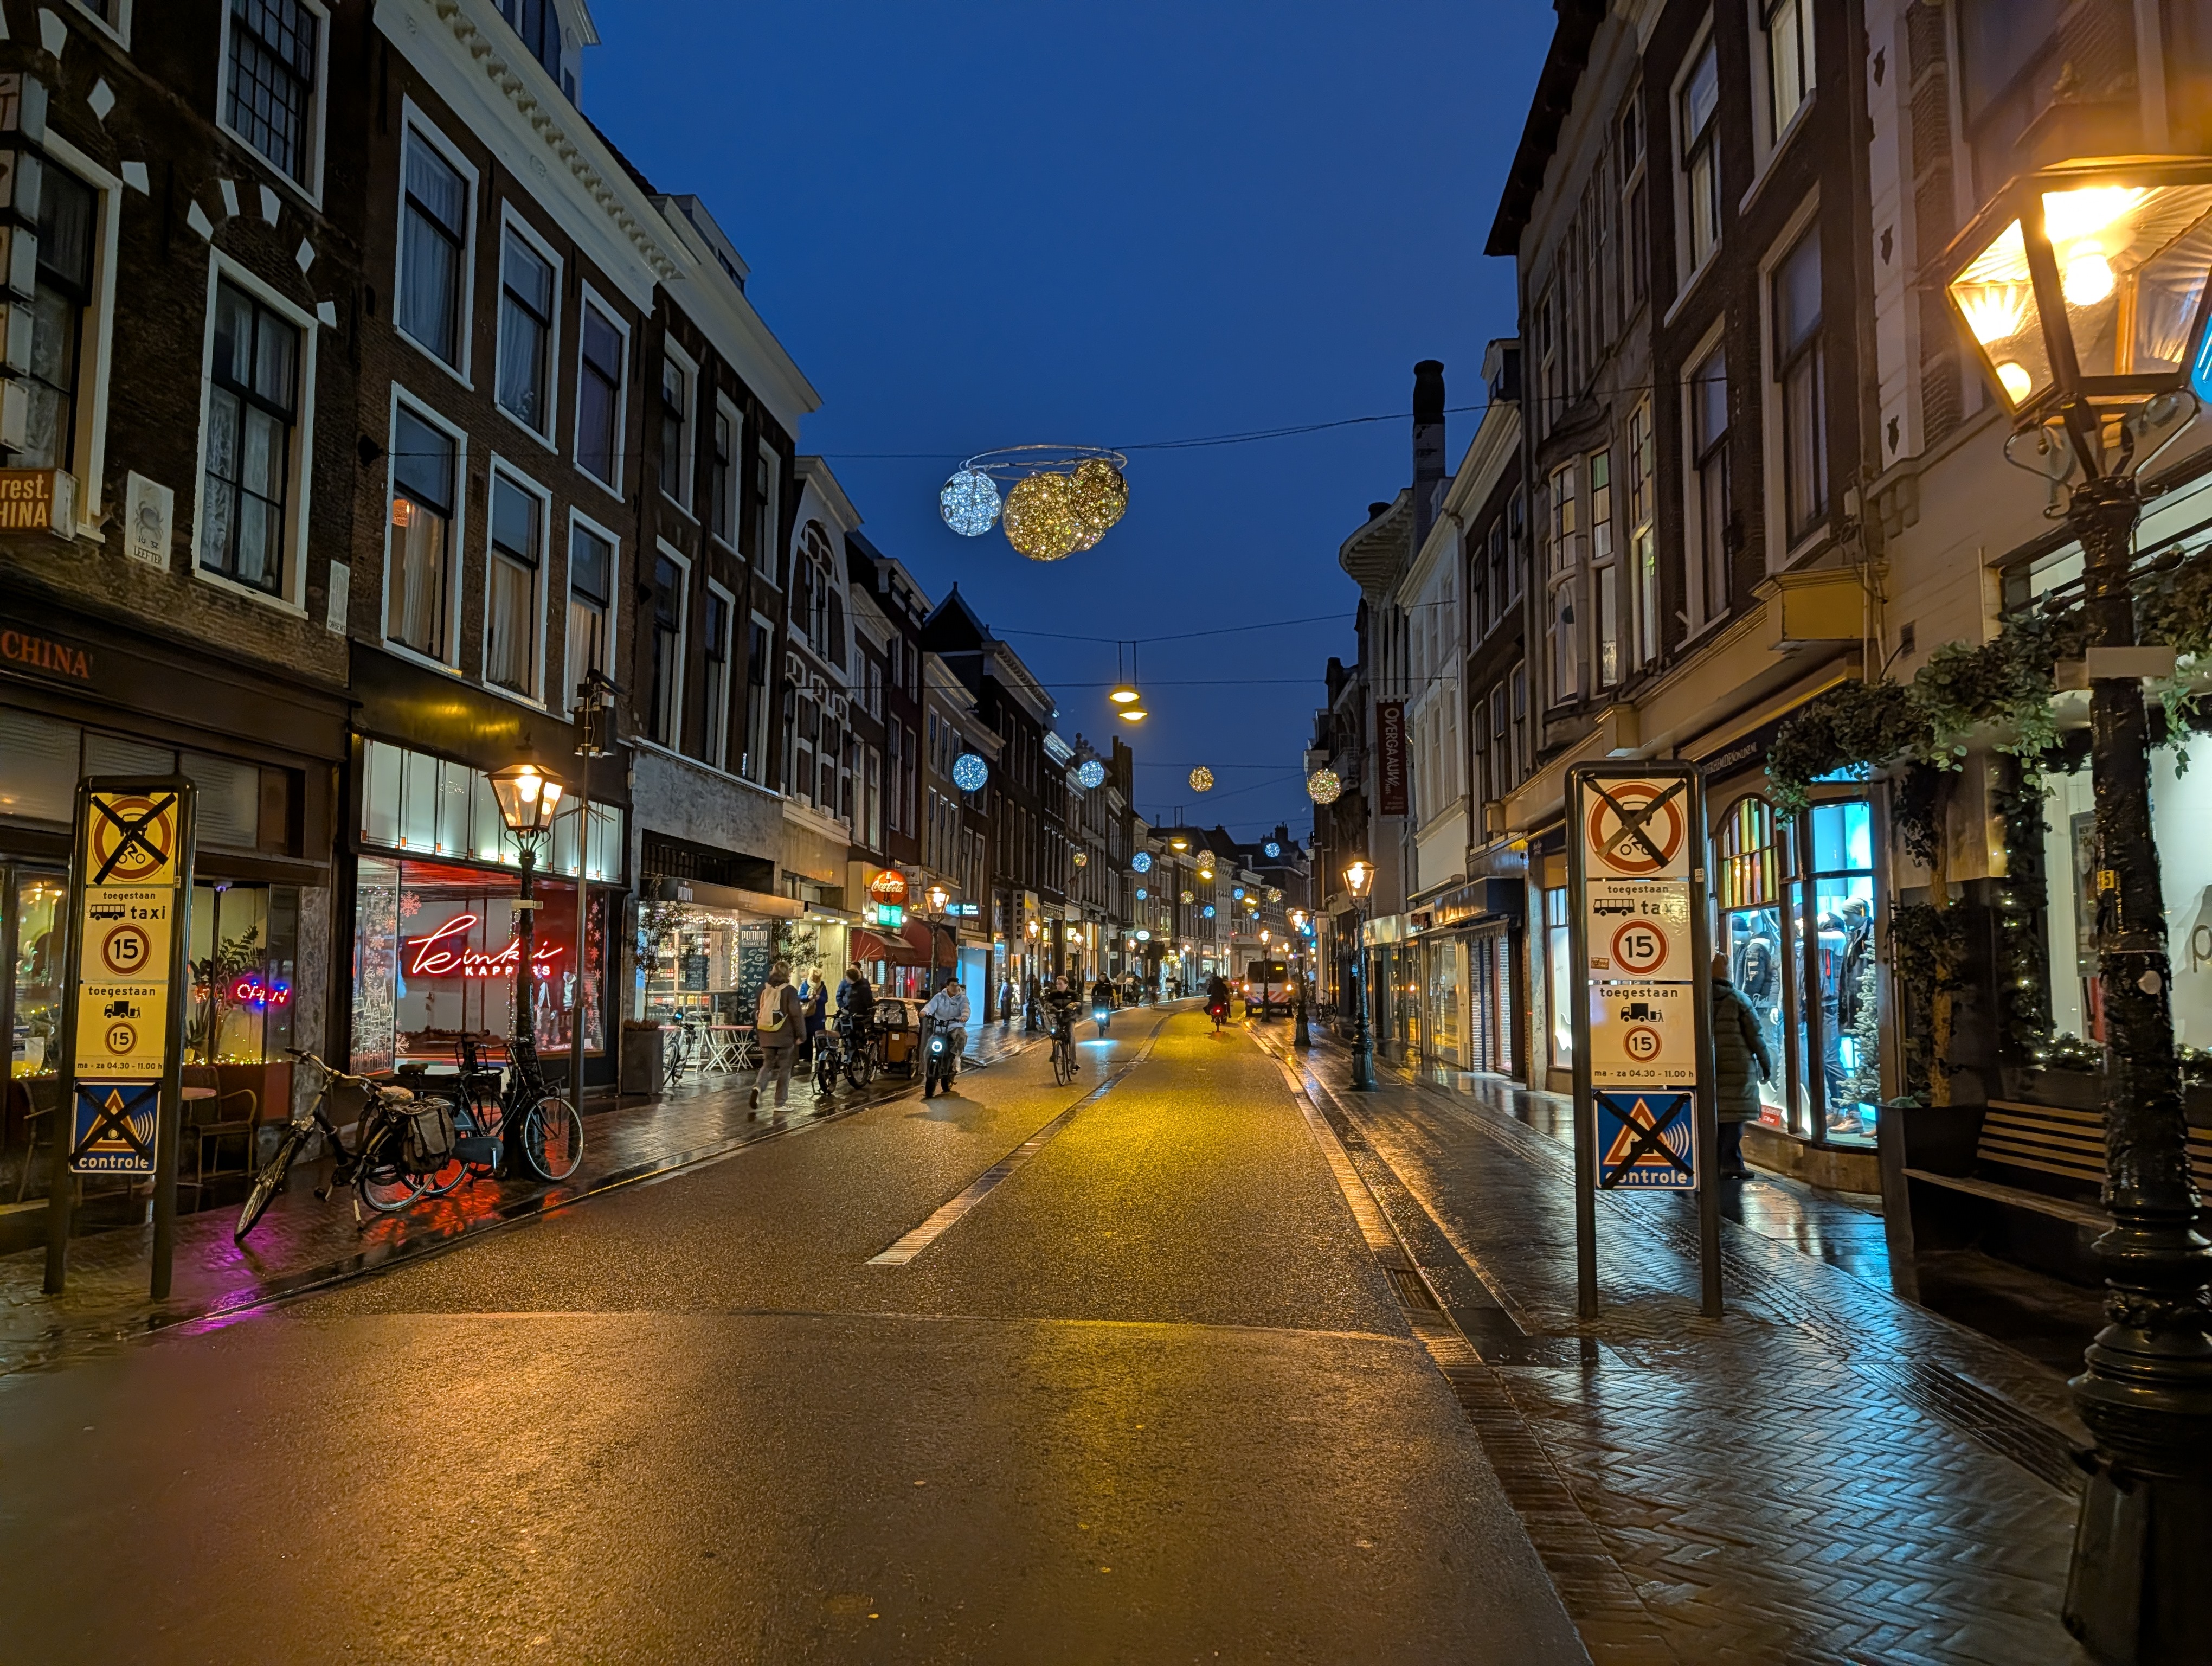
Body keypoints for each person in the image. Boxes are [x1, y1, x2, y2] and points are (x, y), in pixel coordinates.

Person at [1711, 954, 1773, 1178]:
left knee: (1715, 1118)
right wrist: (1766, 1064)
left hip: (1710, 1068)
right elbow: (1756, 1036)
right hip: (1738, 1069)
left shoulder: (1697, 999)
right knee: (1733, 1119)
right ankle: (1731, 1163)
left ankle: (1715, 1162)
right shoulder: (1739, 999)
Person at [749, 959, 806, 1114]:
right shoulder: (790, 991)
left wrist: (759, 1032)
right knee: (785, 1069)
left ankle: (758, 1086)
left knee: (767, 1064)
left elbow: (757, 1012)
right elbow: (796, 1015)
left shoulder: (763, 989)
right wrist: (801, 1035)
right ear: (787, 974)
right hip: (784, 1036)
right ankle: (779, 1103)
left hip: (766, 1033)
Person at [921, 975, 970, 1090]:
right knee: (928, 1049)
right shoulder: (939, 997)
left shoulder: (963, 998)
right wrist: (924, 1012)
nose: (955, 988)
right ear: (947, 986)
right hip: (940, 1028)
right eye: (952, 986)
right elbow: (930, 1007)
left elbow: (966, 1009)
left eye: (956, 985)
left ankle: (956, 1059)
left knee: (962, 1036)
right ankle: (928, 1072)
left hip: (955, 1026)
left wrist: (964, 1016)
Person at [800, 970, 827, 1061]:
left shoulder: (822, 986)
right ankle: (807, 1057)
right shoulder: (805, 985)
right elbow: (800, 997)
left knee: (819, 1038)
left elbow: (825, 999)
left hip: (819, 1016)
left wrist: (820, 998)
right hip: (807, 1016)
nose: (815, 980)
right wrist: (808, 997)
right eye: (814, 978)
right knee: (807, 1038)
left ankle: (820, 1057)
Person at [1090, 971, 1116, 1035]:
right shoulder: (1098, 983)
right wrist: (1093, 996)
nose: (1103, 978)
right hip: (1099, 998)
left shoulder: (1108, 983)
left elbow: (1111, 990)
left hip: (1106, 999)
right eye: (1102, 977)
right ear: (1099, 977)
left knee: (1106, 1011)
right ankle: (1096, 1017)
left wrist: (1110, 996)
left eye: (1104, 977)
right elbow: (1094, 990)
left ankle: (1108, 1025)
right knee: (1095, 1007)